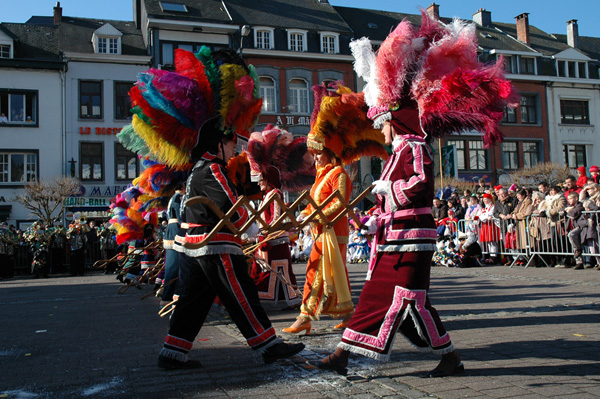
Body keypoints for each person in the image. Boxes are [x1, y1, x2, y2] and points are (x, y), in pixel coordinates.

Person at [311, 12, 517, 377]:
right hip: (397, 237)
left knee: (383, 296)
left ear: (398, 121)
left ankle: (342, 354)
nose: (382, 132)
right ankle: (449, 357)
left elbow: (419, 186)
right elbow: (394, 198)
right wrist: (376, 219)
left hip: (411, 239)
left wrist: (387, 190)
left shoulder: (415, 147)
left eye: (384, 124)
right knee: (413, 302)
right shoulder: (399, 152)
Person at [153, 49, 304, 369]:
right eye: (229, 142)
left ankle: (172, 352)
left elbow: (233, 197)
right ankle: (267, 344)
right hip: (215, 242)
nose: (234, 146)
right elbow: (229, 205)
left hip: (195, 244)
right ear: (216, 144)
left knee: (194, 301)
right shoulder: (213, 169)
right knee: (241, 291)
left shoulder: (199, 170)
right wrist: (247, 227)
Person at [250, 165, 301, 308]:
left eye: (261, 179)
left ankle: (287, 299)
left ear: (269, 179)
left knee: (271, 269)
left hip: (274, 239)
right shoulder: (267, 195)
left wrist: (264, 231)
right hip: (267, 237)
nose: (259, 182)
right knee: (262, 269)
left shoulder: (275, 193)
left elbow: (275, 218)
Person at [160, 187, 183, 307]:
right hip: (176, 229)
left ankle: (169, 295)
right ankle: (169, 296)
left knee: (173, 266)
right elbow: (181, 217)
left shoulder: (174, 197)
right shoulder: (178, 198)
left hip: (172, 229)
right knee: (174, 266)